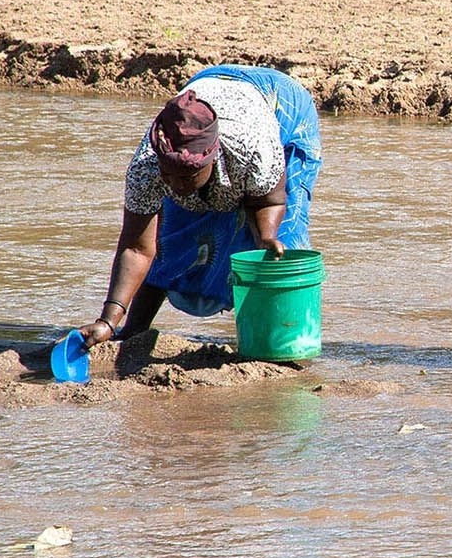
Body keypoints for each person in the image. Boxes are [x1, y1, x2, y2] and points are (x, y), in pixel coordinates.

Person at [74, 65, 323, 349]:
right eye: (168, 174)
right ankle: (134, 332)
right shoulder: (147, 167)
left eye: (187, 177)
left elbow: (270, 199)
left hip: (279, 103)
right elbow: (137, 247)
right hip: (206, 91)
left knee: (281, 243)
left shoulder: (252, 149)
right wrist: (108, 321)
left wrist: (265, 235)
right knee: (170, 237)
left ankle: (283, 344)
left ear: (212, 158)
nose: (176, 185)